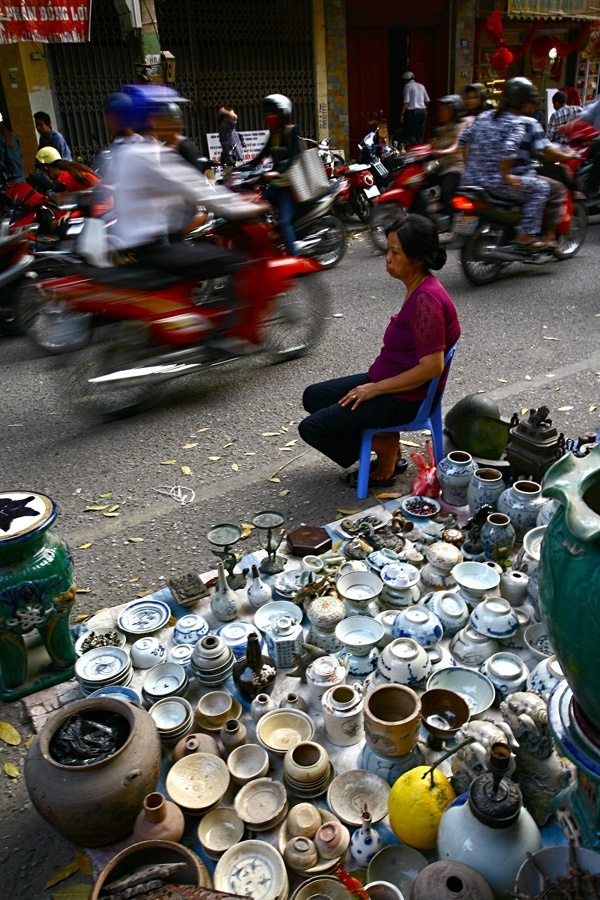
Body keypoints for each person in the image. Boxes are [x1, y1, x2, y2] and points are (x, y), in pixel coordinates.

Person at [298, 214, 461, 489]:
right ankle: (383, 439)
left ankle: (384, 447)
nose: (387, 258)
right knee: (313, 397)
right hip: (389, 382)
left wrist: (373, 389)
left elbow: (432, 367)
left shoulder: (426, 301)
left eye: (395, 253)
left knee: (312, 428)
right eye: (388, 250)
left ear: (417, 259)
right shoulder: (420, 288)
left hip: (406, 398)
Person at [105, 85, 269, 352]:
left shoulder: (124, 151)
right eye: (161, 116)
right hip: (153, 247)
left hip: (139, 243)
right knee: (236, 261)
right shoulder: (148, 153)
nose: (170, 122)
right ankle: (229, 335)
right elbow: (195, 188)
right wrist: (246, 208)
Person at [460, 77, 570, 249]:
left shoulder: (485, 116)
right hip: (496, 183)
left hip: (470, 180)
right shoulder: (516, 122)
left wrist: (468, 166)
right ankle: (526, 235)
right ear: (524, 103)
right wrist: (506, 174)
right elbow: (510, 149)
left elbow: (463, 139)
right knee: (541, 188)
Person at [244, 93, 301, 255]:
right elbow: (260, 157)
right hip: (276, 183)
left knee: (283, 221)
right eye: (267, 114)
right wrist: (240, 169)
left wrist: (277, 171)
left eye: (272, 114)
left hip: (290, 185)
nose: (269, 117)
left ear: (282, 114)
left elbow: (294, 157)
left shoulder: (292, 131)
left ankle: (294, 257)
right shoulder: (274, 134)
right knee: (255, 208)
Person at [430, 95, 466, 222]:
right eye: (441, 110)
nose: (441, 113)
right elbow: (431, 145)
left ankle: (454, 221)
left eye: (445, 109)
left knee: (446, 192)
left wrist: (442, 152)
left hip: (455, 167)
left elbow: (456, 146)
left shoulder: (461, 127)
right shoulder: (442, 130)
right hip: (440, 167)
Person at [401, 72, 430, 148]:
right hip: (423, 111)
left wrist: (402, 114)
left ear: (405, 80)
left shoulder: (407, 86)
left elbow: (406, 101)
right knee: (420, 134)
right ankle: (419, 148)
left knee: (409, 134)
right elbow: (427, 100)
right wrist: (423, 107)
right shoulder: (421, 86)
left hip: (413, 112)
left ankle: (417, 148)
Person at [218, 106, 245, 177]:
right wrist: (224, 111)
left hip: (236, 161)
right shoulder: (225, 127)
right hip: (231, 161)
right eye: (231, 114)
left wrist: (242, 141)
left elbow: (238, 135)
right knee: (231, 181)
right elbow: (234, 117)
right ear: (225, 118)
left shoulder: (229, 129)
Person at [0, 113, 25, 183]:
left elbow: (1, 161)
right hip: (20, 174)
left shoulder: (1, 139)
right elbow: (20, 153)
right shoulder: (12, 135)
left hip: (11, 178)